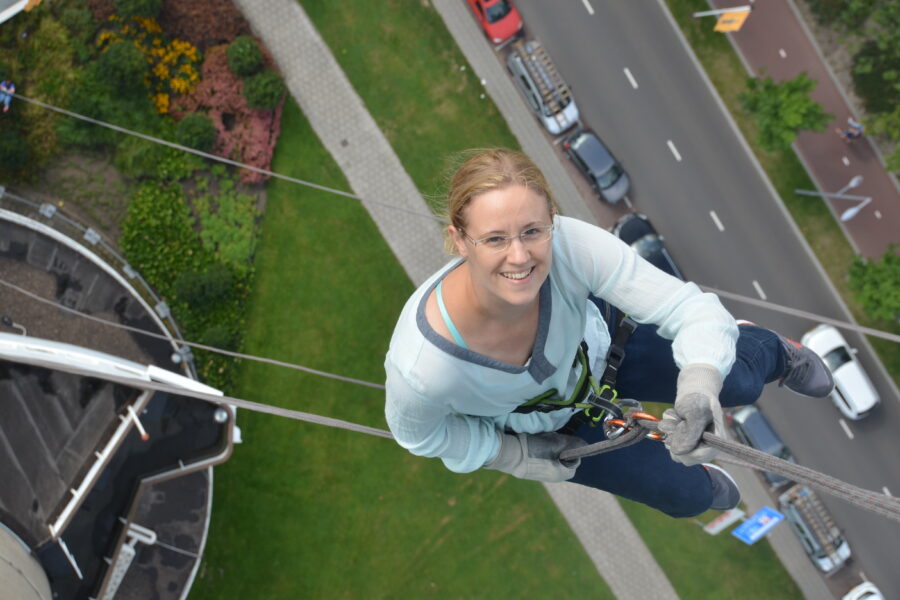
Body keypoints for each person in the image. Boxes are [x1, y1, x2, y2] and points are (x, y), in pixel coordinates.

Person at [384, 149, 834, 518]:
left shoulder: (570, 246)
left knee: (738, 380)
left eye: (533, 231)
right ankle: (696, 487)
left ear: (553, 220)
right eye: (495, 239)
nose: (519, 257)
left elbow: (685, 308)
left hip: (604, 347)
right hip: (550, 428)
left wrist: (698, 388)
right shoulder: (423, 368)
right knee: (687, 498)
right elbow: (422, 436)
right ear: (459, 240)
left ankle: (774, 352)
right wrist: (512, 455)